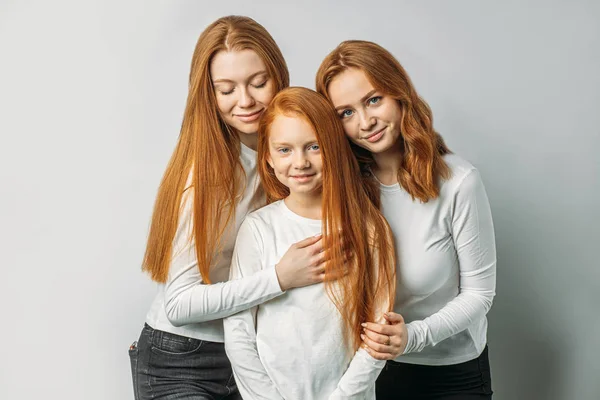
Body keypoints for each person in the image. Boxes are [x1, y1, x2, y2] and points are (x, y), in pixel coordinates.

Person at [129, 16, 328, 400]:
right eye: (227, 89)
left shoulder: (292, 155)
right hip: (183, 358)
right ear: (209, 94)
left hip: (258, 353)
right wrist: (280, 278)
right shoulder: (203, 176)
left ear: (278, 75)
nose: (246, 101)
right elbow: (180, 304)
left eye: (258, 83)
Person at [316, 40, 497, 399]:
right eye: (345, 113)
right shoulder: (342, 188)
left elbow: (480, 294)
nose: (365, 122)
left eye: (373, 100)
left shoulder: (458, 182)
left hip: (451, 374)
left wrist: (412, 337)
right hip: (365, 370)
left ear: (399, 94)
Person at [223, 87, 397, 400]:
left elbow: (378, 331)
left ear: (333, 149)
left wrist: (343, 396)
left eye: (314, 147)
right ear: (269, 159)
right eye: (285, 150)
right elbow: (238, 329)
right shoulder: (260, 228)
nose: (300, 162)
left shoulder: (368, 228)